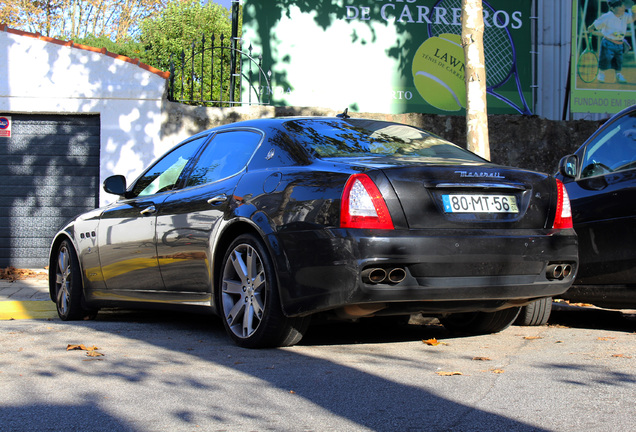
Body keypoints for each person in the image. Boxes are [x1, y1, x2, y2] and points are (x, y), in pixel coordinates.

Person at [587, 0, 636, 83]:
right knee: (605, 59)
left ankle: (618, 75)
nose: (623, 7)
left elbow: (633, 18)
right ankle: (601, 74)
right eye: (620, 6)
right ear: (612, 8)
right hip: (608, 42)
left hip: (619, 43)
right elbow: (597, 23)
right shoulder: (607, 16)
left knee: (618, 61)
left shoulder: (625, 16)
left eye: (623, 6)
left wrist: (634, 12)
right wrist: (591, 27)